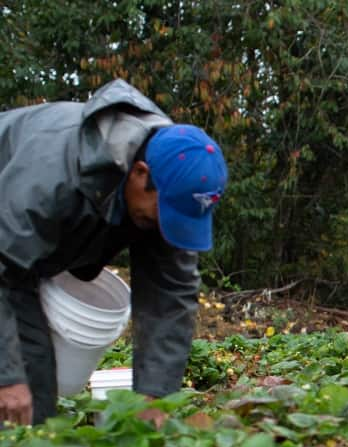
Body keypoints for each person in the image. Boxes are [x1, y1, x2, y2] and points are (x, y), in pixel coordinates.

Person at [0, 79, 228, 426]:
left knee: (33, 398)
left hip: (16, 251)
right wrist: (6, 377)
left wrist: (154, 395)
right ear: (139, 174)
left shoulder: (171, 177)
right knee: (19, 388)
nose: (166, 228)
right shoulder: (52, 175)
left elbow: (170, 295)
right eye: (164, 214)